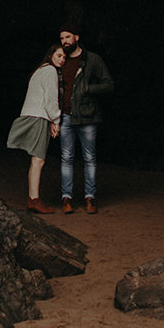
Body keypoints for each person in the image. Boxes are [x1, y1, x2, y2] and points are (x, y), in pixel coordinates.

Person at [56, 25, 112, 213]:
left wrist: (88, 89)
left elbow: (108, 84)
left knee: (89, 158)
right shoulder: (60, 60)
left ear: (77, 37)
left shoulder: (92, 59)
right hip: (65, 116)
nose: (64, 41)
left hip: (88, 116)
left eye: (68, 37)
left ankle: (90, 198)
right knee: (66, 158)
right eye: (62, 38)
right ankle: (66, 198)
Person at [6, 44, 64, 213]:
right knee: (38, 160)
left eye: (63, 57)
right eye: (59, 55)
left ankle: (33, 199)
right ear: (51, 55)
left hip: (32, 114)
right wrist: (56, 120)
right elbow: (50, 99)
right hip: (39, 116)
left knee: (36, 160)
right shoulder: (50, 71)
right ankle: (34, 200)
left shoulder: (40, 70)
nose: (61, 59)